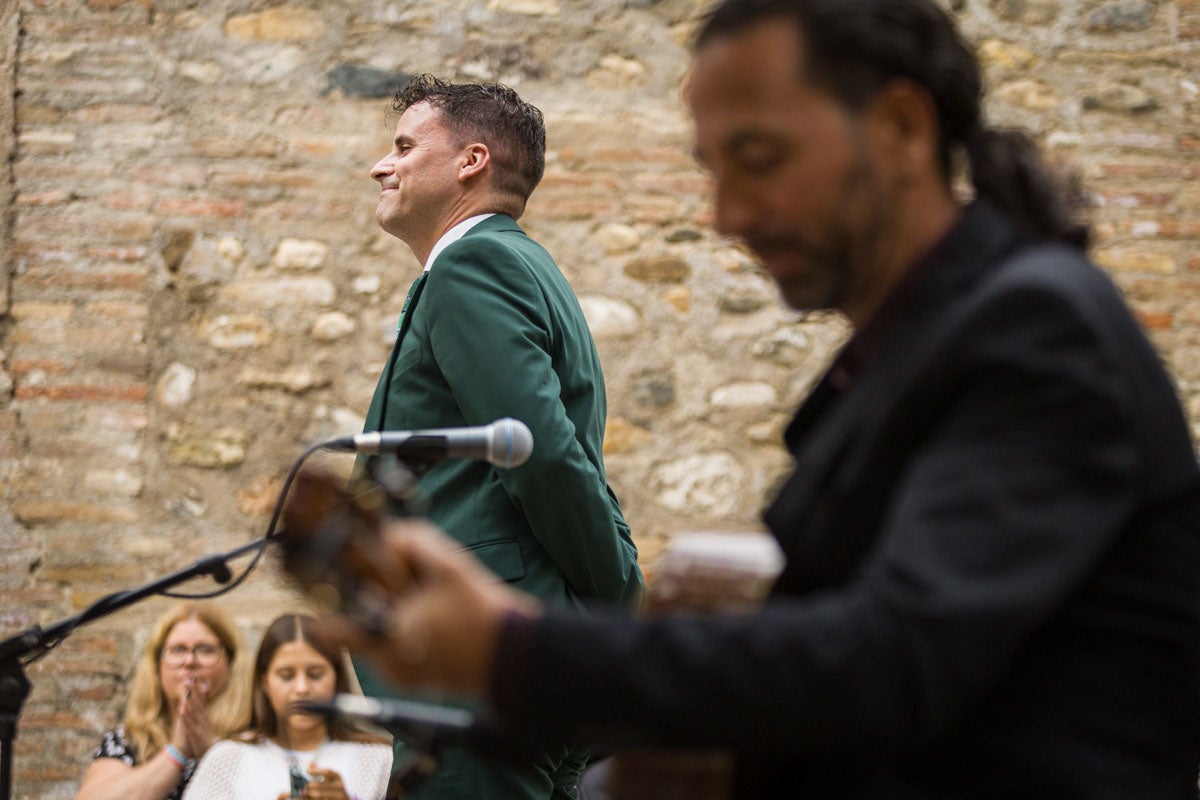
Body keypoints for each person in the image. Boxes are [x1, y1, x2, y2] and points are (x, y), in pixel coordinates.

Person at [315, 0, 1200, 798]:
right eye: (712, 166)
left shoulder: (1033, 329)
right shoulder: (916, 352)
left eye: (760, 157)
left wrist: (519, 649)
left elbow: (893, 661)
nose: (725, 214)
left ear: (900, 126)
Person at [356, 73, 644, 799]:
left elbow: (539, 451)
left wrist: (617, 602)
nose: (380, 165)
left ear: (471, 161)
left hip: (478, 663)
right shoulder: (523, 265)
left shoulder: (471, 264)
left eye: (403, 146)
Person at [181, 614, 392, 800]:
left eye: (315, 674)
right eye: (286, 675)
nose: (301, 688)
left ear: (337, 678)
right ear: (264, 682)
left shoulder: (377, 758)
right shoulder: (229, 759)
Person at [75, 602, 250, 800]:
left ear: (231, 663)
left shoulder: (253, 739)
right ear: (157, 666)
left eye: (205, 650)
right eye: (178, 650)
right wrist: (177, 752)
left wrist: (214, 752)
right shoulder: (128, 742)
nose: (190, 661)